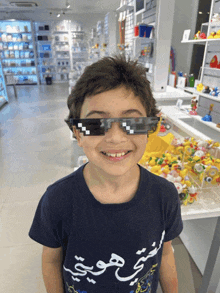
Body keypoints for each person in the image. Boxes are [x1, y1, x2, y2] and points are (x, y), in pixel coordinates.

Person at [29, 55, 183, 293]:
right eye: (95, 124)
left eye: (132, 122)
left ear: (150, 128)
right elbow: (51, 260)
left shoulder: (165, 195)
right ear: (78, 134)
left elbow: (165, 252)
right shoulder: (57, 200)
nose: (115, 138)